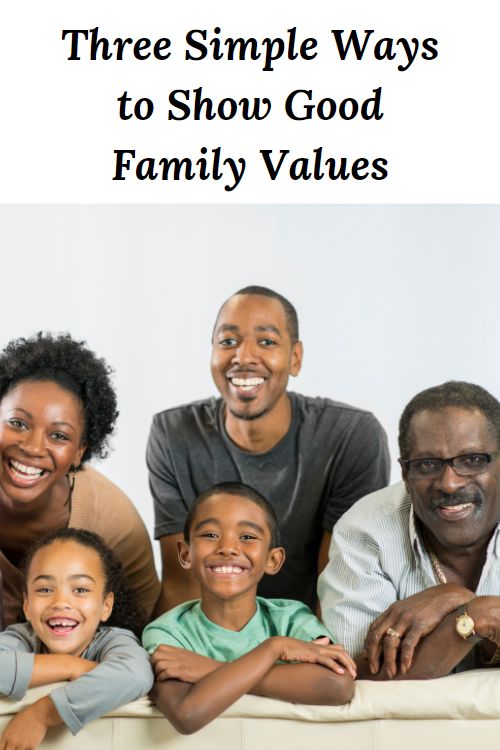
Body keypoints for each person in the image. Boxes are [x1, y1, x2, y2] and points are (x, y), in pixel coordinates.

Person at [147, 286, 390, 613]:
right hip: (212, 635)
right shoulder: (173, 434)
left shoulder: (351, 436)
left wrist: (296, 656)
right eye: (228, 341)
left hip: (307, 633)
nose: (243, 357)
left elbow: (337, 589)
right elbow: (181, 583)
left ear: (295, 358)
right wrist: (177, 656)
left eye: (267, 342)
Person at [319, 381, 500, 680]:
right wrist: (464, 608)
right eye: (427, 464)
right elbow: (355, 671)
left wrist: (477, 615)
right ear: (405, 473)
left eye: (472, 460)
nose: (450, 483)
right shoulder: (365, 530)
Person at [143, 482, 355, 734]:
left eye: (247, 537)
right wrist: (275, 649)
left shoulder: (291, 619)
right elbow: (187, 714)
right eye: (210, 535)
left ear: (272, 559)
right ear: (186, 554)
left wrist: (209, 669)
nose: (228, 548)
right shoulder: (167, 632)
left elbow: (337, 686)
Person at [0, 333, 160, 628]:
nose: (33, 448)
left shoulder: (112, 520)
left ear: (79, 452)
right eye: (18, 423)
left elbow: (145, 632)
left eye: (58, 435)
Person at [0, 528, 153, 749]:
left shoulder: (113, 641)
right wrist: (70, 666)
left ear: (106, 605)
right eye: (44, 589)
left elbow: (136, 674)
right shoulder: (22, 637)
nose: (61, 602)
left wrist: (43, 714)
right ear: (26, 604)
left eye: (80, 589)